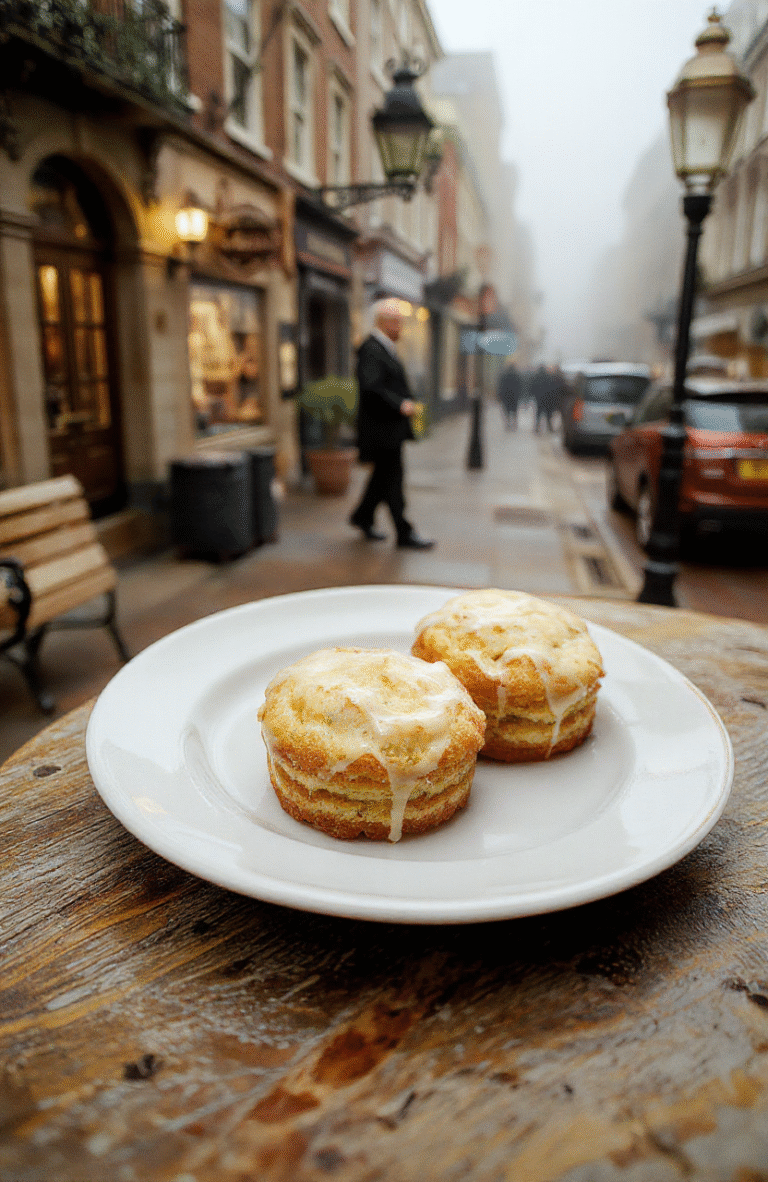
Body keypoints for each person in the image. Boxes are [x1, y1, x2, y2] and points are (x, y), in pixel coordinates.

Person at [349, 299, 435, 549]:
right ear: (385, 323)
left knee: (382, 478)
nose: (401, 328)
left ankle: (362, 516)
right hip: (381, 431)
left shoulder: (384, 348)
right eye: (398, 323)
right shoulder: (371, 349)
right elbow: (371, 387)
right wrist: (400, 404)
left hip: (389, 431)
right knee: (392, 481)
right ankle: (404, 532)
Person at [497, 362, 522, 429]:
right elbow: (519, 386)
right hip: (514, 396)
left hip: (506, 395)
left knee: (507, 409)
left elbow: (501, 386)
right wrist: (519, 394)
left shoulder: (504, 375)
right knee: (514, 410)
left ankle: (508, 422)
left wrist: (500, 395)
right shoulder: (517, 375)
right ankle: (514, 422)